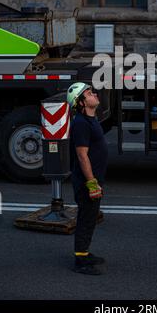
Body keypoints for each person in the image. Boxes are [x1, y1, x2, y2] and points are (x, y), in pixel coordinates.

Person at [67, 82, 108, 275]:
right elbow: (82, 156)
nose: (94, 94)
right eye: (89, 93)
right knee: (86, 218)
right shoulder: (81, 124)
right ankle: (80, 261)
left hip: (95, 179)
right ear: (81, 103)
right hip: (86, 182)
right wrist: (91, 184)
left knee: (91, 218)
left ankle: (84, 252)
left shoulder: (91, 120)